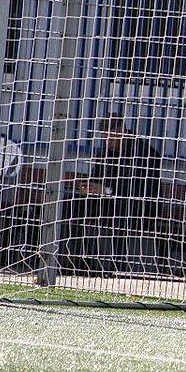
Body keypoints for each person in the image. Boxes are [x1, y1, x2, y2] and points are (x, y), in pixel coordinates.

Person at [76, 116, 162, 274]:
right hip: (110, 201)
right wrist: (89, 187)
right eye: (105, 137)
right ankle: (77, 260)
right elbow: (96, 176)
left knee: (121, 208)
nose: (108, 142)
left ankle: (118, 265)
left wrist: (106, 191)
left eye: (111, 137)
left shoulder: (142, 152)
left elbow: (135, 190)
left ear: (122, 131)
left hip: (140, 207)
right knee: (73, 203)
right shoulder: (107, 151)